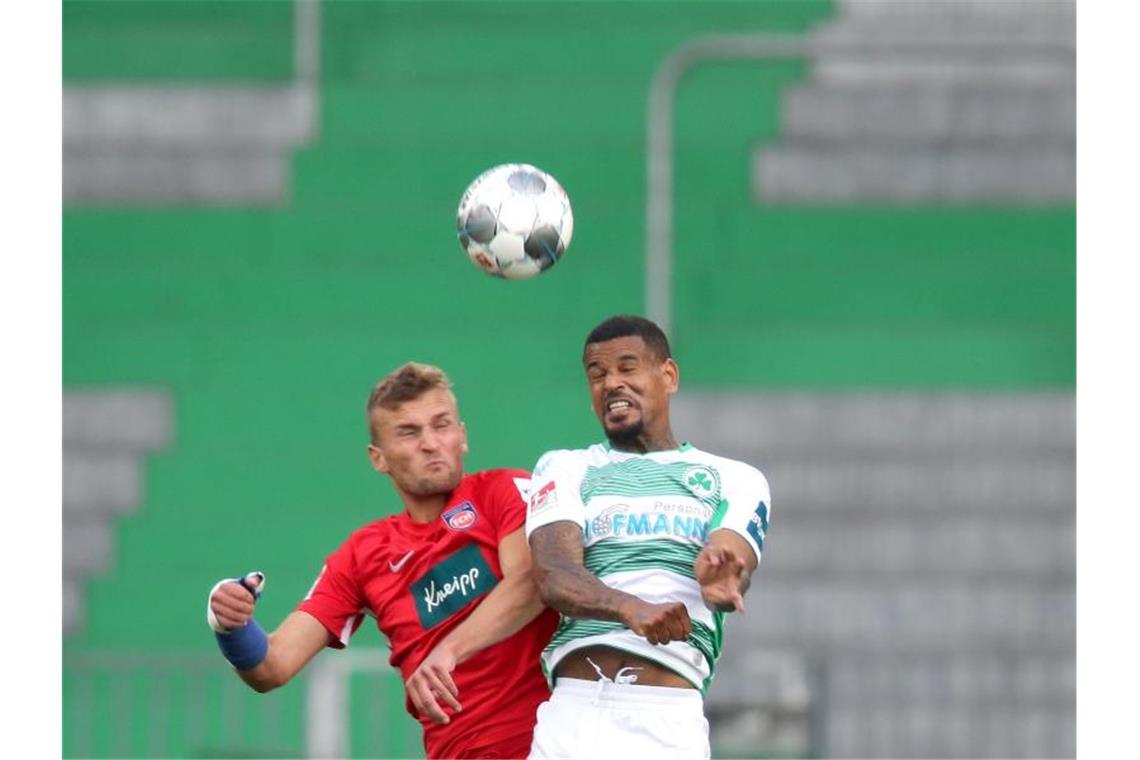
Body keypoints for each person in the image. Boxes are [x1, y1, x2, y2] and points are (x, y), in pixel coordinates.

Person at [206, 362, 559, 759]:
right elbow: (272, 667)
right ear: (378, 458)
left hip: (554, 746)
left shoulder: (503, 492)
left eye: (441, 425)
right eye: (409, 432)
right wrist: (229, 624)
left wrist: (447, 650)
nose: (430, 443)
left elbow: (531, 583)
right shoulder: (362, 555)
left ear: (462, 436)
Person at [524, 315, 772, 758]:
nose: (611, 384)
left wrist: (720, 578)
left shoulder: (734, 478)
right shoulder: (565, 468)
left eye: (627, 367)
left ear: (668, 376)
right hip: (571, 716)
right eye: (597, 375)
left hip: (665, 720)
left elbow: (731, 560)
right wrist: (629, 608)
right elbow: (554, 575)